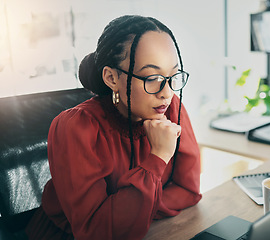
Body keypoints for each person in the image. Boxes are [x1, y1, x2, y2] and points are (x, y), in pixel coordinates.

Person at [26, 15, 202, 240]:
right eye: (152, 77)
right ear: (111, 77)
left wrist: (135, 213)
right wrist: (158, 157)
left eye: (172, 76)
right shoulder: (76, 127)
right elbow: (96, 231)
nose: (166, 92)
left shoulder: (171, 108)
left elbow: (188, 191)